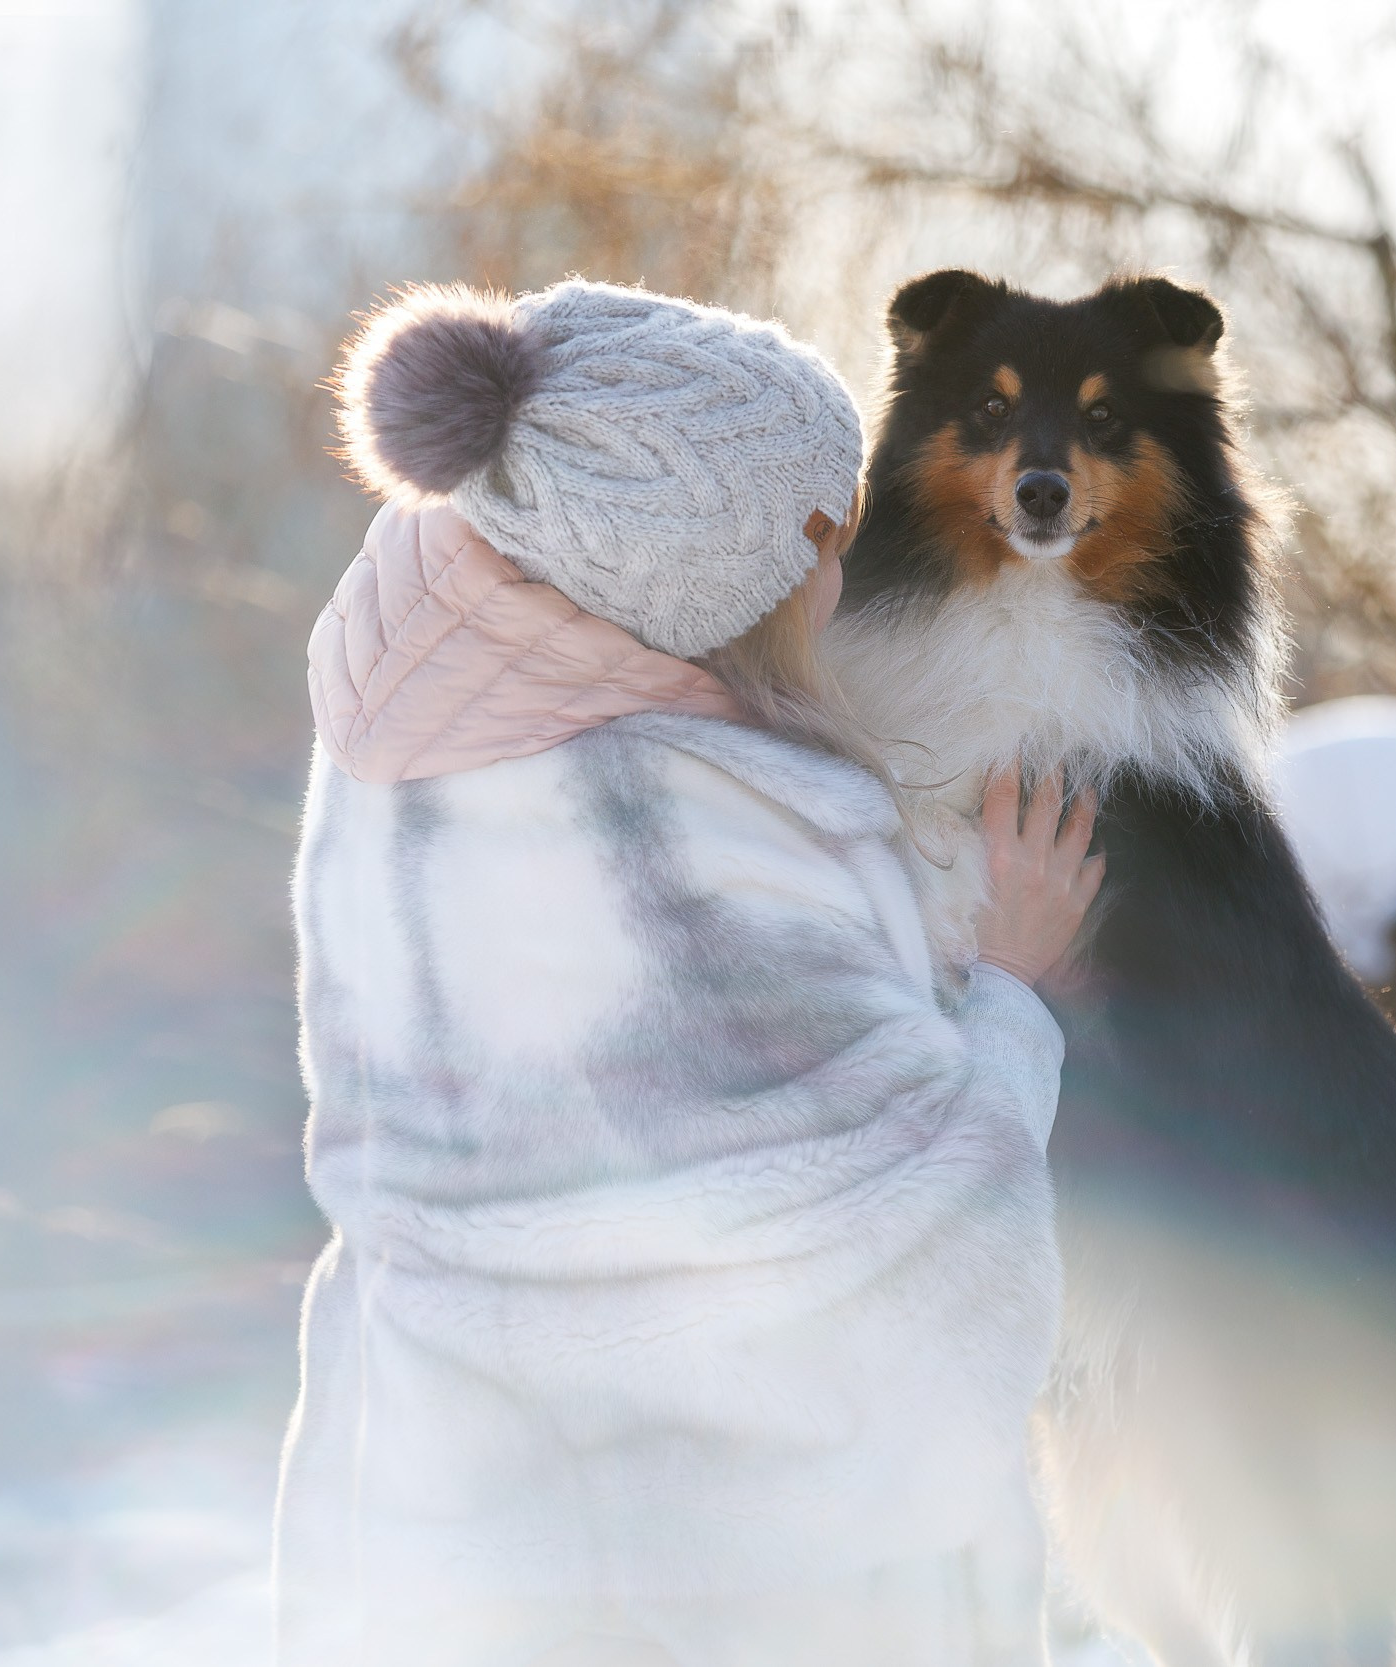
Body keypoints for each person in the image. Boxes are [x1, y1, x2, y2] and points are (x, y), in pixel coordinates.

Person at [275, 280, 1103, 1667]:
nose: (844, 572)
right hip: (724, 1597)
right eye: (826, 533)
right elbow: (927, 1296)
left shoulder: (423, 746)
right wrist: (1010, 994)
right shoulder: (689, 852)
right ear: (723, 572)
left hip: (450, 1545)